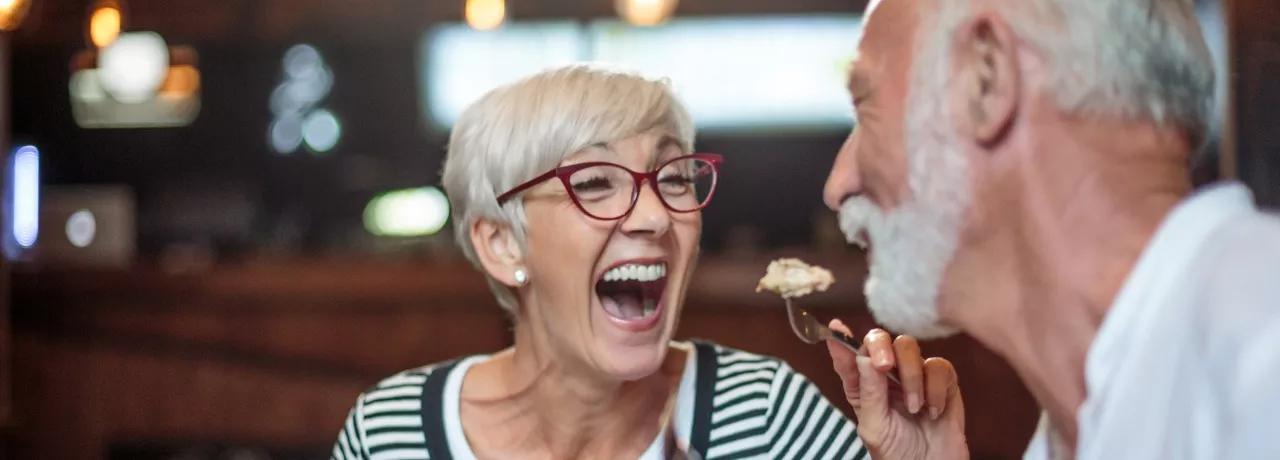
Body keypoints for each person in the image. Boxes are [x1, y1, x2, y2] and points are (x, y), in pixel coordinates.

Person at [329, 64, 960, 460]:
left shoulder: (765, 420)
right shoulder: (393, 433)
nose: (656, 216)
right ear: (502, 244)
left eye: (674, 178)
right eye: (597, 182)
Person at [822, 0, 1280, 459]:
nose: (837, 185)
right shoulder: (1075, 428)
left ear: (986, 77)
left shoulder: (1261, 346)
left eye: (865, 107)